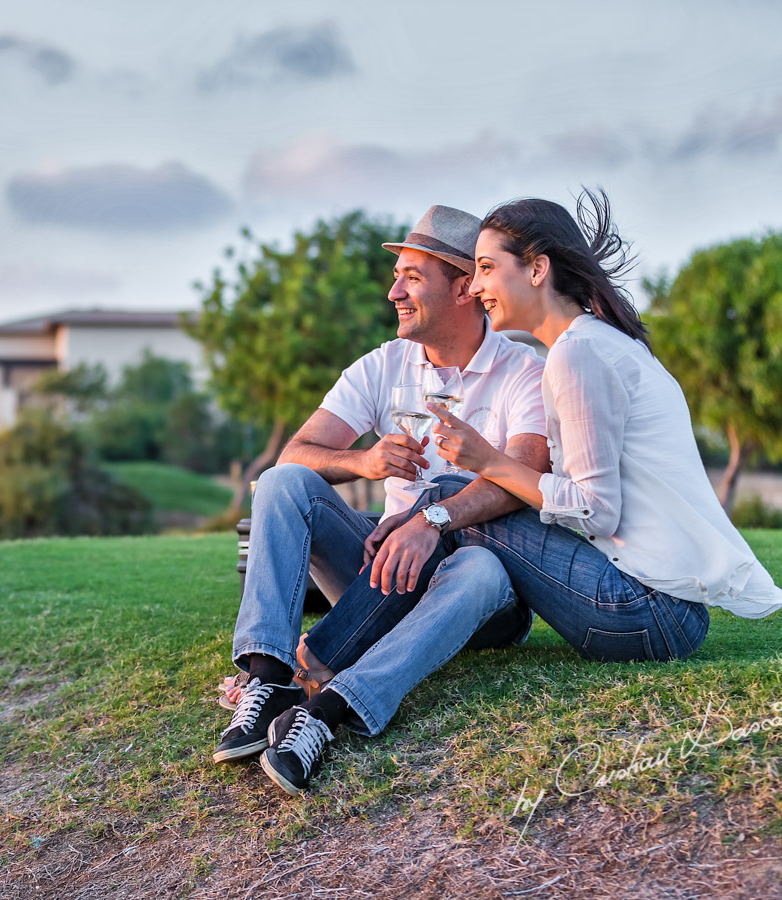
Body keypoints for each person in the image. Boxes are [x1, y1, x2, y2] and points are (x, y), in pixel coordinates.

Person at [295, 188, 782, 790]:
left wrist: (482, 470)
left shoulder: (577, 355)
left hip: (647, 611)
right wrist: (481, 474)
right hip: (658, 603)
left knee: (450, 499)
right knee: (452, 497)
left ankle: (317, 664)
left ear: (536, 268)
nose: (476, 287)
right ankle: (334, 659)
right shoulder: (590, 344)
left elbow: (595, 510)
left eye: (485, 268)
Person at [214, 205, 551, 795]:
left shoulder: (524, 371)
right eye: (397, 275)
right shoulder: (383, 365)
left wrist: (429, 521)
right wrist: (363, 462)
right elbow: (298, 452)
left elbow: (524, 472)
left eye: (413, 277)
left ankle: (333, 708)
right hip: (382, 576)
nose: (394, 290)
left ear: (466, 285)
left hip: (480, 596)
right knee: (280, 483)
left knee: (478, 566)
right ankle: (269, 678)